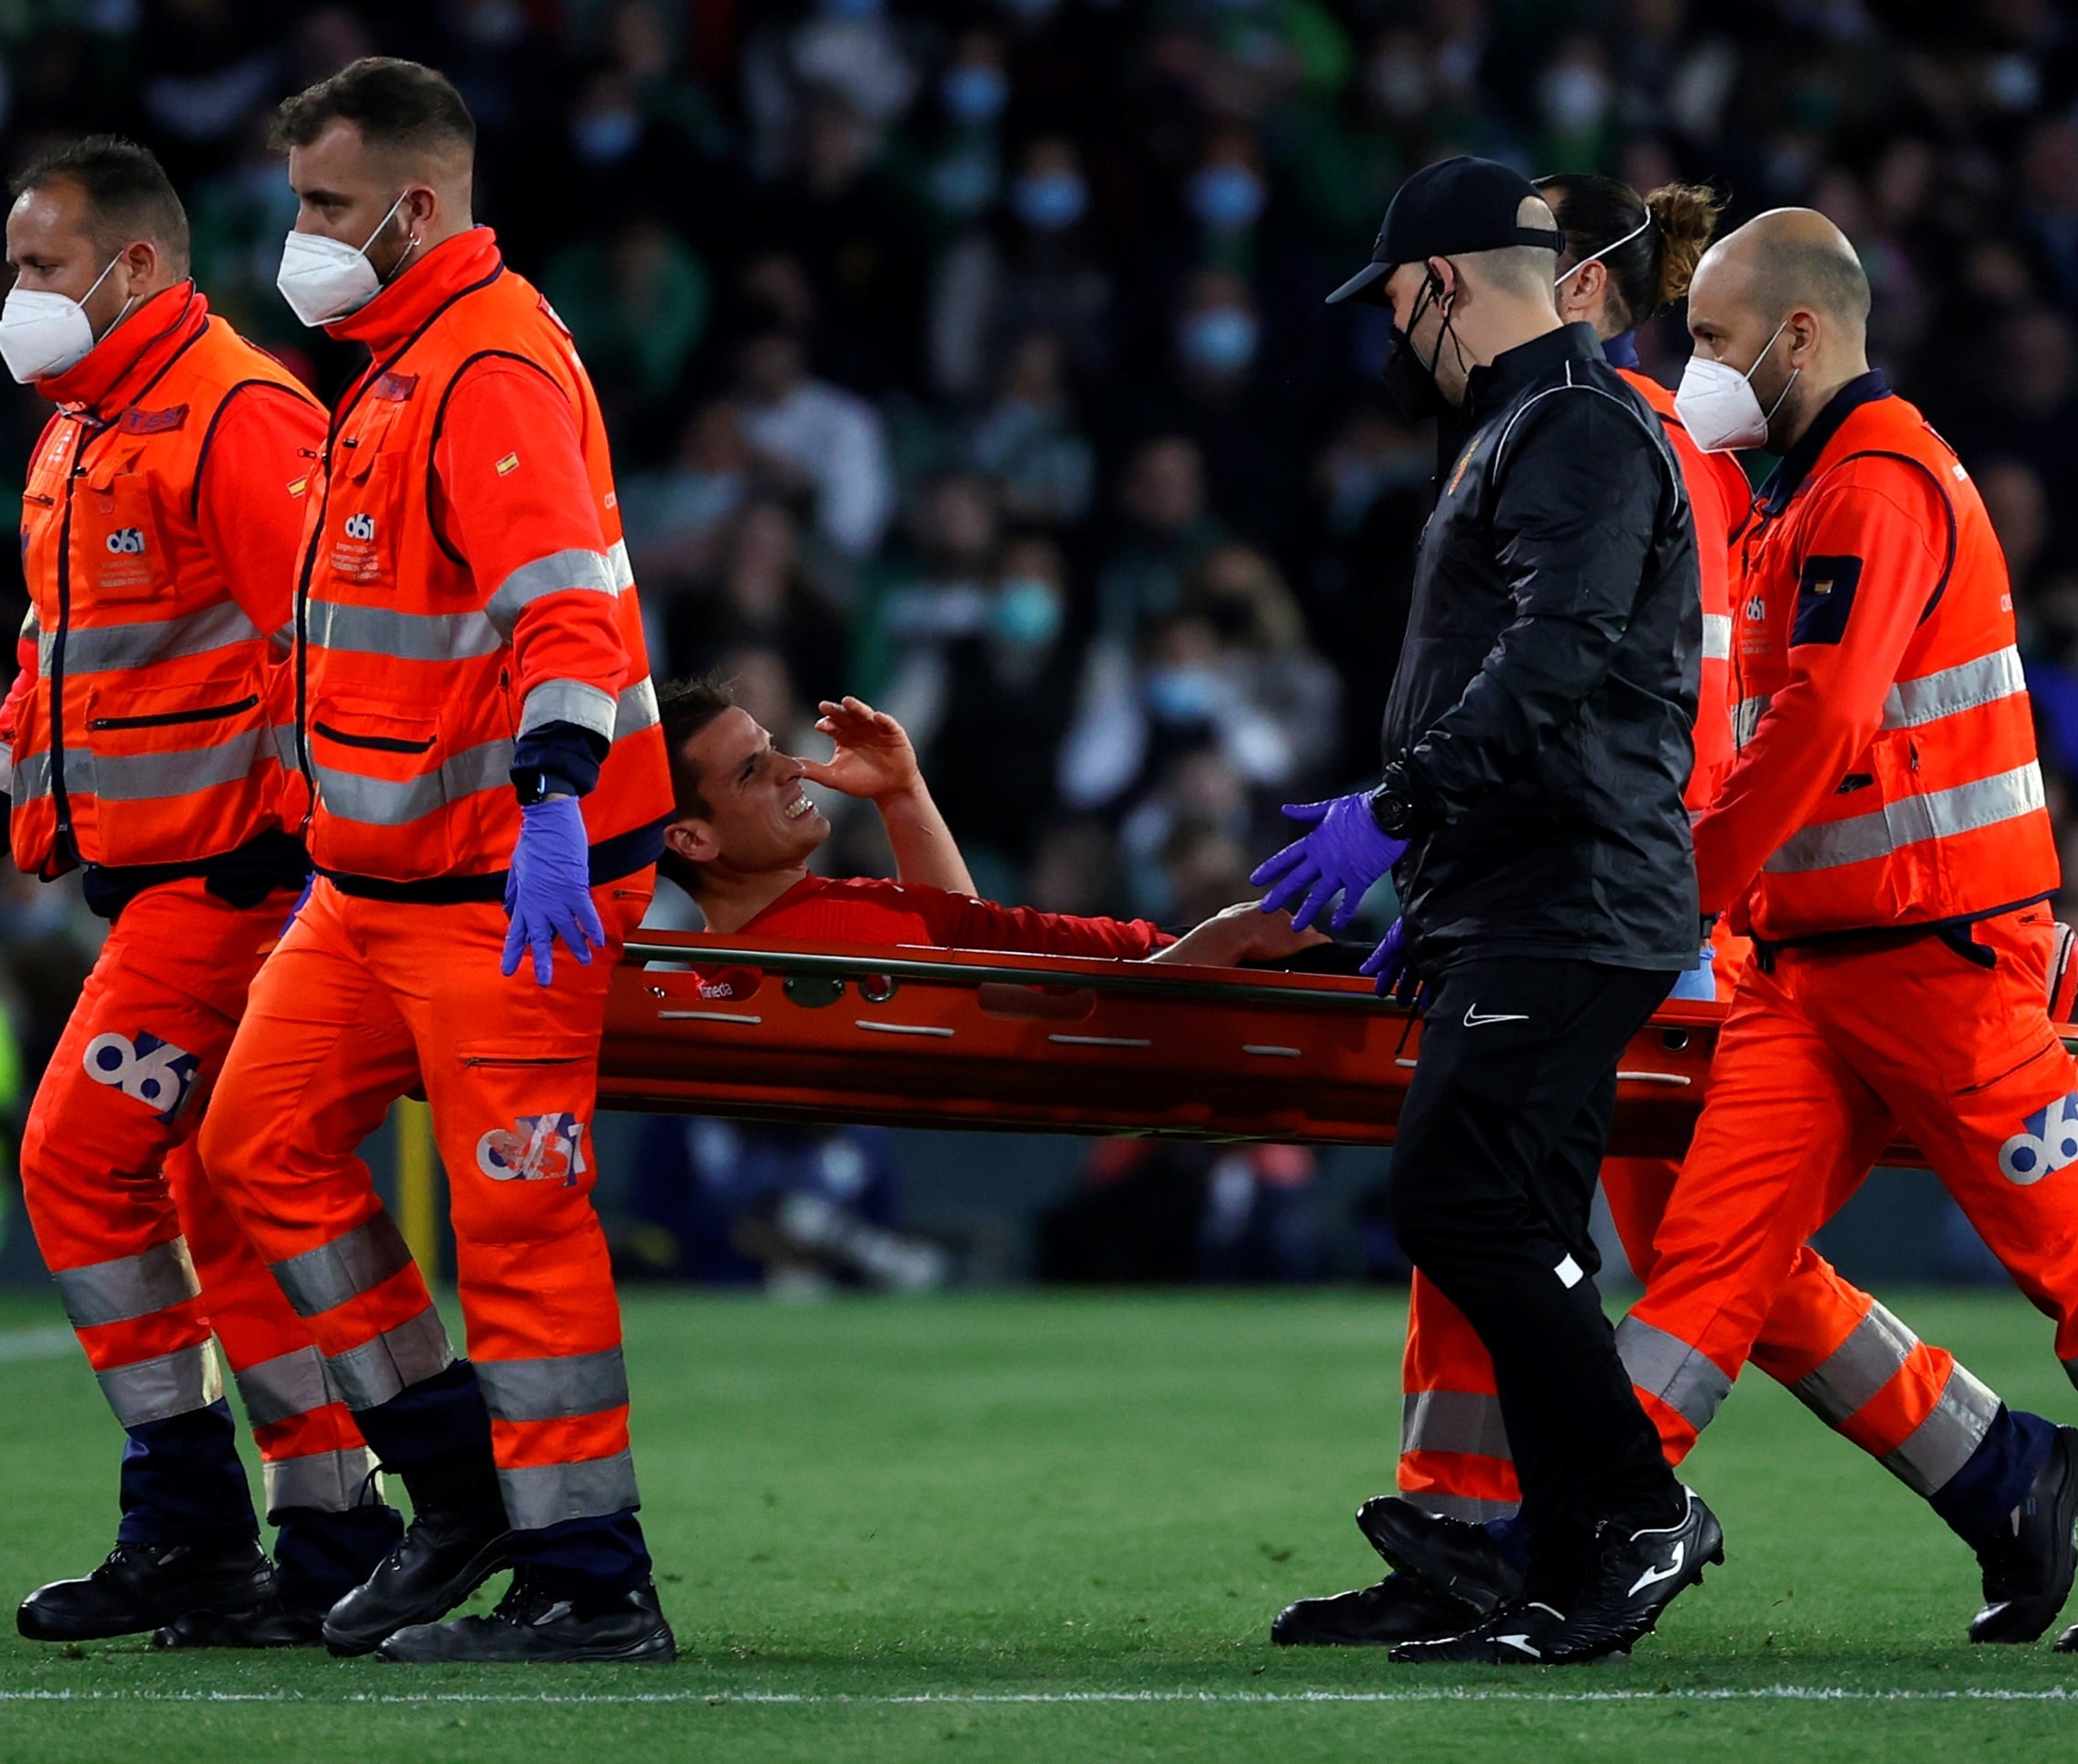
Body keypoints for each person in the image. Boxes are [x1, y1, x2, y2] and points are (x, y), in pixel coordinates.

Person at [1275, 174, 2078, 1654]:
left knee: (1649, 1238)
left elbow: (1697, 694)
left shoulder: (1637, 444)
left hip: (1670, 890)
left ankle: (1568, 1515)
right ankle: (1980, 1468)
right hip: (1639, 879)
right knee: (1623, 1234)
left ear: (1574, 286)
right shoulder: (1612, 442)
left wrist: (1673, 886)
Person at [1621, 206, 2078, 1656]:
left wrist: (1685, 883)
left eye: (1719, 342)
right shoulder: (1809, 489)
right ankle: (1598, 1525)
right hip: (1814, 965)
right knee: (1707, 1255)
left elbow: (1824, 720)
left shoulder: (1876, 484)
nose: (1702, 374)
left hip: (1943, 963)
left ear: (1801, 333)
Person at [0, 136, 401, 1647]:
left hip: (231, 884)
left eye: (39, 268)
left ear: (137, 267)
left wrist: (301, 853)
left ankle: (184, 1522)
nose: (14, 296)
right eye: (12, 265)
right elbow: (57, 674)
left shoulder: (234, 414)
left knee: (74, 1160)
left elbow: (331, 638)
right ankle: (325, 1530)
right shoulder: (84, 428)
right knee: (216, 1201)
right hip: (164, 878)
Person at [192, 57, 678, 1666]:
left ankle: (593, 1585)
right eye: (296, 205)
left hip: (503, 884)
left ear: (414, 205)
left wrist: (551, 799)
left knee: (521, 1231)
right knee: (255, 1145)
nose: (300, 237)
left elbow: (568, 616)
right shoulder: (394, 363)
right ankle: (464, 1488)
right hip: (376, 885)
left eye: (325, 207)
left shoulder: (487, 372)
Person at [1252, 156, 1714, 1667]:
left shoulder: (1568, 425)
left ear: (1443, 280)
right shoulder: (1532, 425)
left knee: (1455, 1200)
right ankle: (1576, 1548)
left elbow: (1552, 655)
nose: (1395, 333)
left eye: (1396, 300)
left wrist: (1395, 814)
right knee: (1519, 1222)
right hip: (1533, 888)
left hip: (1566, 893)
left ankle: (1637, 1514)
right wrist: (1434, 875)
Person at [656, 679, 1316, 971]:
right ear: (691, 838)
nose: (793, 768)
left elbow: (964, 938)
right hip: (1198, 983)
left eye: (776, 746)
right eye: (751, 770)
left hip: (1182, 965)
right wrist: (1222, 939)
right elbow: (1052, 1020)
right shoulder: (804, 954)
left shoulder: (810, 926)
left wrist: (902, 793)